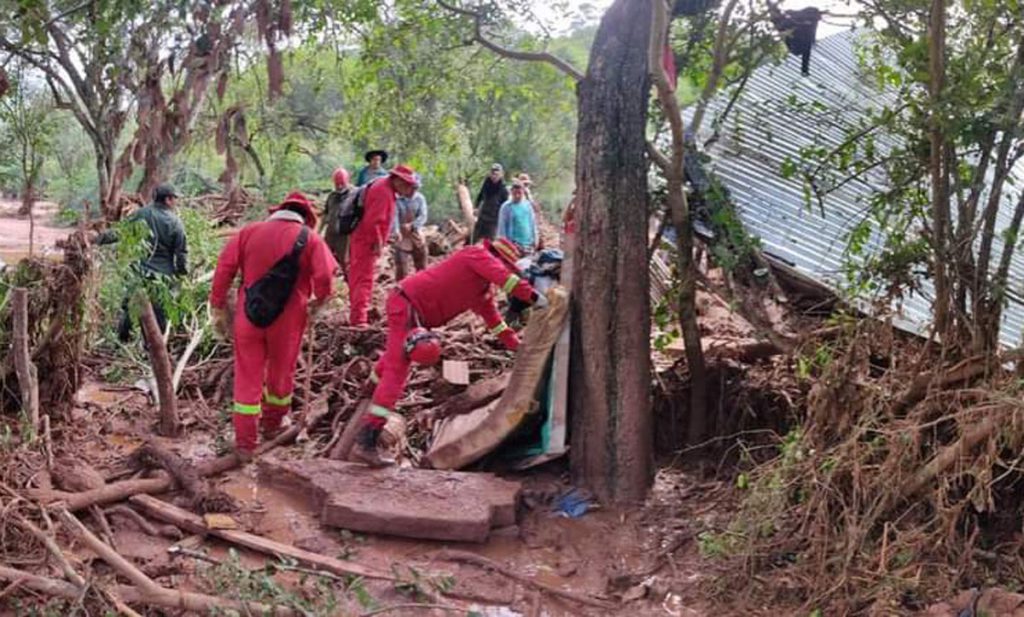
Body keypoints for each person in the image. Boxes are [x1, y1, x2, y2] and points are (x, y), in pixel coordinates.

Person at [351, 237, 549, 466]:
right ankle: (366, 440)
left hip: (411, 310)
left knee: (394, 357)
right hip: (407, 305)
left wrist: (518, 347)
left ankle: (371, 387)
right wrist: (538, 299)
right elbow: (507, 280)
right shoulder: (476, 255)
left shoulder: (482, 290)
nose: (504, 270)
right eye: (505, 266)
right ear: (499, 259)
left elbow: (495, 323)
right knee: (399, 370)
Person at [208, 192, 338, 460]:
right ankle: (272, 425)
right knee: (281, 372)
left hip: (249, 316)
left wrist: (218, 306)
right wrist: (319, 302)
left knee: (247, 375)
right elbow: (325, 277)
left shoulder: (247, 233)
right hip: (289, 320)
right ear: (306, 217)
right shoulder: (311, 239)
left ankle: (245, 442)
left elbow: (224, 269)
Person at [97, 183, 188, 341]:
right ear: (167, 200)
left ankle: (122, 342)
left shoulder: (142, 214)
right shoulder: (175, 222)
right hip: (162, 276)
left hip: (139, 272)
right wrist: (181, 273)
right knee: (159, 313)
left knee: (131, 308)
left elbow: (120, 232)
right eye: (174, 198)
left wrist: (97, 239)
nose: (176, 202)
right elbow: (181, 253)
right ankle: (154, 348)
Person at [348, 164, 419, 326]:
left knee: (359, 277)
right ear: (399, 181)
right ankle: (359, 319)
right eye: (408, 186)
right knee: (363, 279)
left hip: (363, 239)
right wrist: (378, 244)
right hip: (366, 241)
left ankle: (357, 313)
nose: (409, 190)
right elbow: (374, 222)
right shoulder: (383, 192)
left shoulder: (383, 186)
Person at [390, 173, 428, 282]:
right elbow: (394, 217)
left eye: (415, 188)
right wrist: (396, 231)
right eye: (411, 187)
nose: (413, 190)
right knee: (401, 268)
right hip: (402, 236)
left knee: (422, 266)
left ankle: (422, 287)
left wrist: (413, 225)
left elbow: (423, 216)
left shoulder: (420, 199)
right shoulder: (397, 200)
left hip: (416, 234)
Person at [322, 166, 353, 271]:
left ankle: (350, 283)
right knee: (324, 257)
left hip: (345, 234)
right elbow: (325, 213)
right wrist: (318, 231)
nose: (339, 187)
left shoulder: (354, 195)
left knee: (345, 261)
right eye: (337, 184)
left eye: (342, 184)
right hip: (330, 232)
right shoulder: (331, 196)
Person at [497, 181, 539, 255]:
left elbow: (532, 223)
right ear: (511, 192)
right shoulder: (506, 207)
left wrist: (535, 238)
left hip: (528, 243)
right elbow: (502, 227)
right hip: (514, 244)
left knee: (528, 264)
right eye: (514, 193)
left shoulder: (527, 205)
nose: (517, 196)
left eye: (519, 193)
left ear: (523, 192)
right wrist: (504, 244)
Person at [471, 163, 508, 243]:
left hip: (494, 219)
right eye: (493, 174)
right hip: (483, 215)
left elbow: (505, 205)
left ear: (501, 175)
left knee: (490, 240)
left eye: (496, 174)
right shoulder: (486, 183)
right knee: (475, 237)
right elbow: (480, 195)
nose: (494, 176)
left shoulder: (503, 189)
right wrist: (476, 207)